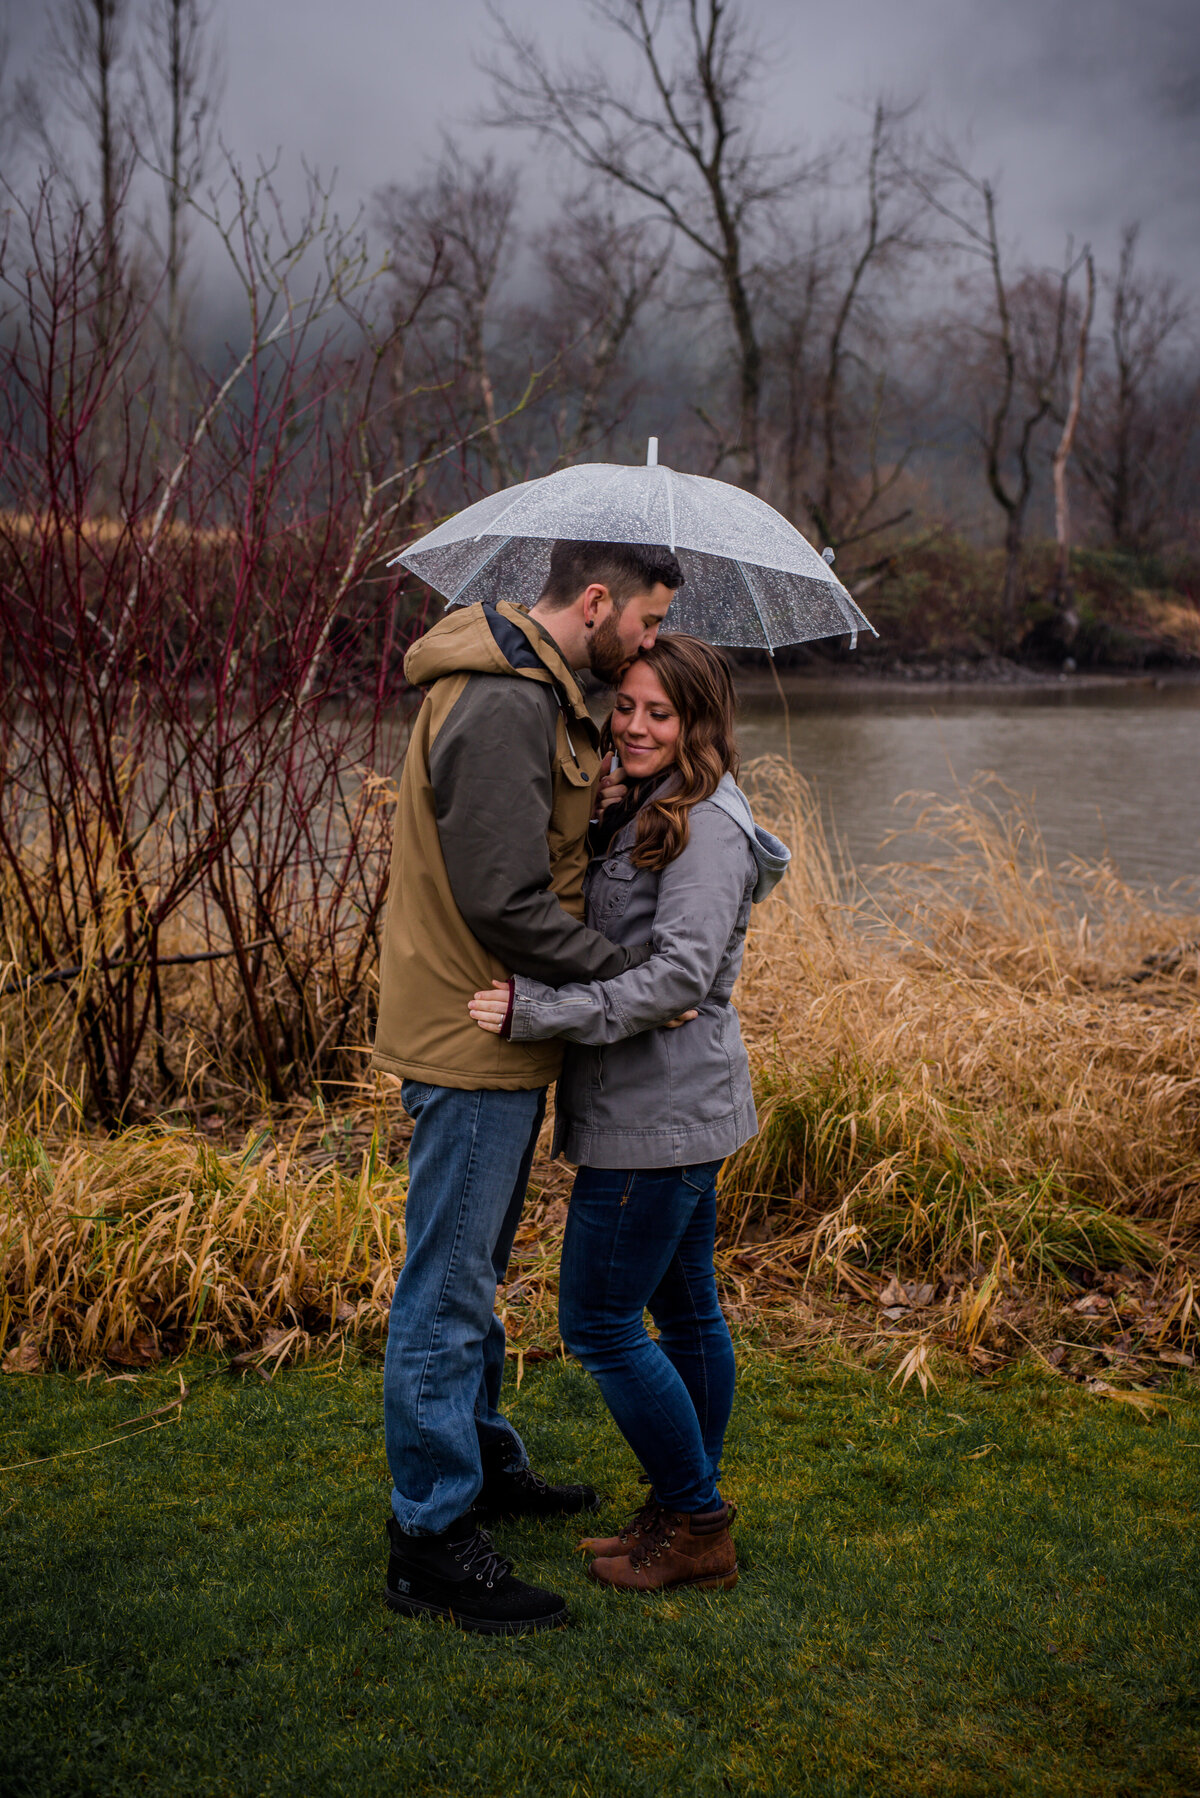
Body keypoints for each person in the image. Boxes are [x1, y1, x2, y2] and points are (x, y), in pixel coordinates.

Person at [372, 538, 683, 1636]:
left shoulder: (536, 695)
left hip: (494, 1030)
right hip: (470, 1034)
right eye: (645, 620)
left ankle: (483, 1462)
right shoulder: (504, 703)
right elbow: (506, 901)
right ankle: (432, 1538)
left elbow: (528, 858)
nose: (650, 643)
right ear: (595, 601)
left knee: (476, 1269)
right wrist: (635, 979)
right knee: (448, 1289)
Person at [469, 634, 790, 1595]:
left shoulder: (706, 827)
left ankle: (697, 1522)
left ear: (699, 723)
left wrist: (539, 1008)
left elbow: (681, 975)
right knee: (688, 1310)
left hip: (659, 1114)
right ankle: (676, 1505)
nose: (637, 725)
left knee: (601, 1324)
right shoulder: (656, 808)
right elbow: (641, 942)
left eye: (661, 713)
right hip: (675, 1105)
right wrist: (604, 816)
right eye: (628, 707)